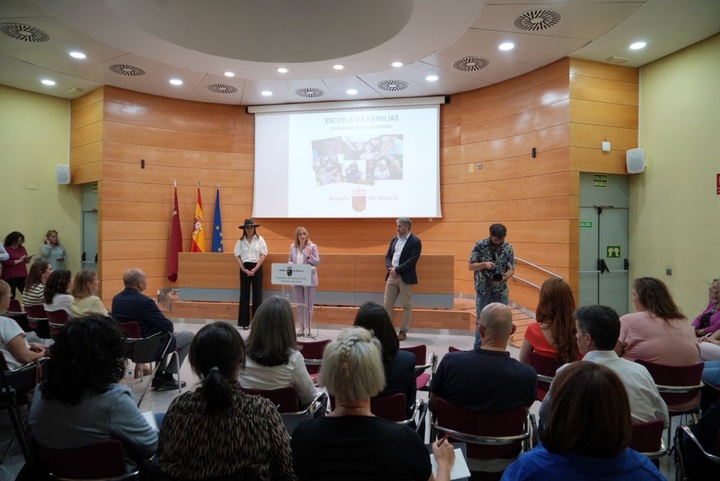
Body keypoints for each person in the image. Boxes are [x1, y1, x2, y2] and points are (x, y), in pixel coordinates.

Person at [291, 327, 455, 481]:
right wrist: (444, 465)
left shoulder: (303, 437)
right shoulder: (406, 442)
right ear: (375, 376)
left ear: (328, 374)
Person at [151, 322, 297, 480]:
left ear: (194, 364)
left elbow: (164, 460)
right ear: (241, 360)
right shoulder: (262, 411)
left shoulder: (178, 408)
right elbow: (286, 473)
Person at [28, 316, 157, 471]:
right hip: (111, 473)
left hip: (55, 471)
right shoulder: (113, 399)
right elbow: (151, 446)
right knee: (161, 421)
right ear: (109, 357)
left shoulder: (41, 390)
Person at [501, 363, 665, 481]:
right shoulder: (646, 472)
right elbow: (663, 418)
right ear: (620, 412)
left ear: (560, 409)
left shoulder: (528, 469)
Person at [430, 303, 536, 475]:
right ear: (513, 330)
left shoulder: (450, 363)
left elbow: (433, 406)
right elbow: (522, 413)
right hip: (505, 457)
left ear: (480, 330)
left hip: (454, 454)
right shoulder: (527, 375)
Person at [539, 305, 668, 428]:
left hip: (587, 449)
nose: (575, 336)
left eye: (576, 332)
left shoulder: (567, 373)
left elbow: (546, 414)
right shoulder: (641, 372)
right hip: (641, 448)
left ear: (587, 338)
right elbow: (663, 419)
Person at [111, 268, 193, 391]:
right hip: (147, 347)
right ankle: (167, 376)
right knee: (189, 336)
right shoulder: (145, 302)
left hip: (125, 346)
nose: (146, 282)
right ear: (140, 283)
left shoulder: (116, 299)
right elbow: (168, 326)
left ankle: (159, 376)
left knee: (163, 335)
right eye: (145, 280)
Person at [238, 296, 317, 407]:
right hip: (284, 422)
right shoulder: (294, 359)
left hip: (247, 420)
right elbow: (310, 398)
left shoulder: (239, 356)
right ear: (288, 327)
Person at [615, 277, 699, 366]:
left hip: (641, 378)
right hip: (686, 378)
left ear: (644, 297)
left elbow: (610, 355)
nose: (632, 299)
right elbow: (696, 353)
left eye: (634, 295)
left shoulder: (628, 321)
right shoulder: (683, 321)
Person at [353, 301, 416, 417]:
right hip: (397, 430)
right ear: (388, 329)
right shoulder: (407, 361)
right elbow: (411, 401)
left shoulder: (345, 364)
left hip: (356, 430)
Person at [469, 224, 515, 349]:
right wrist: (484, 264)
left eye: (501, 240)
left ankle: (500, 348)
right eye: (495, 240)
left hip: (501, 291)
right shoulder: (480, 245)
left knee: (502, 321)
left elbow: (511, 269)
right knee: (481, 320)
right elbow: (471, 266)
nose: (498, 242)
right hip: (483, 290)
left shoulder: (508, 248)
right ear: (491, 235)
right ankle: (478, 348)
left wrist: (503, 277)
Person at [518, 277, 580, 364]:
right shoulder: (580, 329)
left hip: (541, 377)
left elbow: (523, 362)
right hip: (572, 377)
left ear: (544, 300)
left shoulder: (533, 329)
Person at [384, 217, 422, 341]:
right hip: (392, 275)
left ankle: (403, 331)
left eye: (400, 226)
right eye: (397, 226)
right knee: (387, 304)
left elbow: (412, 260)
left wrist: (397, 269)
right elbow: (388, 256)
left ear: (407, 227)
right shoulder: (394, 240)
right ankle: (388, 330)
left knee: (406, 305)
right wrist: (391, 268)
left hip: (405, 276)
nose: (397, 228)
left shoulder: (415, 241)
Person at [0, 279, 48, 370]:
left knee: (34, 339)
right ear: (1, 299)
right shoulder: (5, 323)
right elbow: (26, 357)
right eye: (9, 293)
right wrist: (44, 354)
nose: (11, 296)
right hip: (16, 375)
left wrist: (29, 345)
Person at [234, 218, 268, 329]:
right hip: (245, 268)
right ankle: (244, 322)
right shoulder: (240, 241)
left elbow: (263, 255)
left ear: (254, 228)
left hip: (257, 267)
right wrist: (244, 269)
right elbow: (238, 256)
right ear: (244, 229)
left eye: (251, 227)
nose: (249, 229)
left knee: (257, 294)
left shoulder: (260, 239)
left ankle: (257, 322)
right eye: (247, 227)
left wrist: (256, 268)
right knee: (244, 294)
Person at [288, 226, 320, 336]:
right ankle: (301, 326)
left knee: (309, 305)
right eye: (300, 234)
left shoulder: (312, 246)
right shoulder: (293, 247)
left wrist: (309, 255)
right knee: (300, 304)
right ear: (297, 236)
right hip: (297, 278)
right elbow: (290, 261)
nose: (302, 236)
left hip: (310, 280)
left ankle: (308, 326)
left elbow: (317, 262)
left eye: (304, 234)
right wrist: (292, 265)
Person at [1, 231, 32, 299]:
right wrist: (19, 260)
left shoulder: (22, 248)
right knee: (11, 295)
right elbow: (4, 262)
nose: (18, 243)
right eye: (16, 241)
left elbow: (24, 260)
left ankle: (28, 309)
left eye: (20, 241)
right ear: (11, 240)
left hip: (22, 274)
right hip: (10, 276)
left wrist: (27, 259)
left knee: (27, 294)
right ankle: (10, 309)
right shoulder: (4, 248)